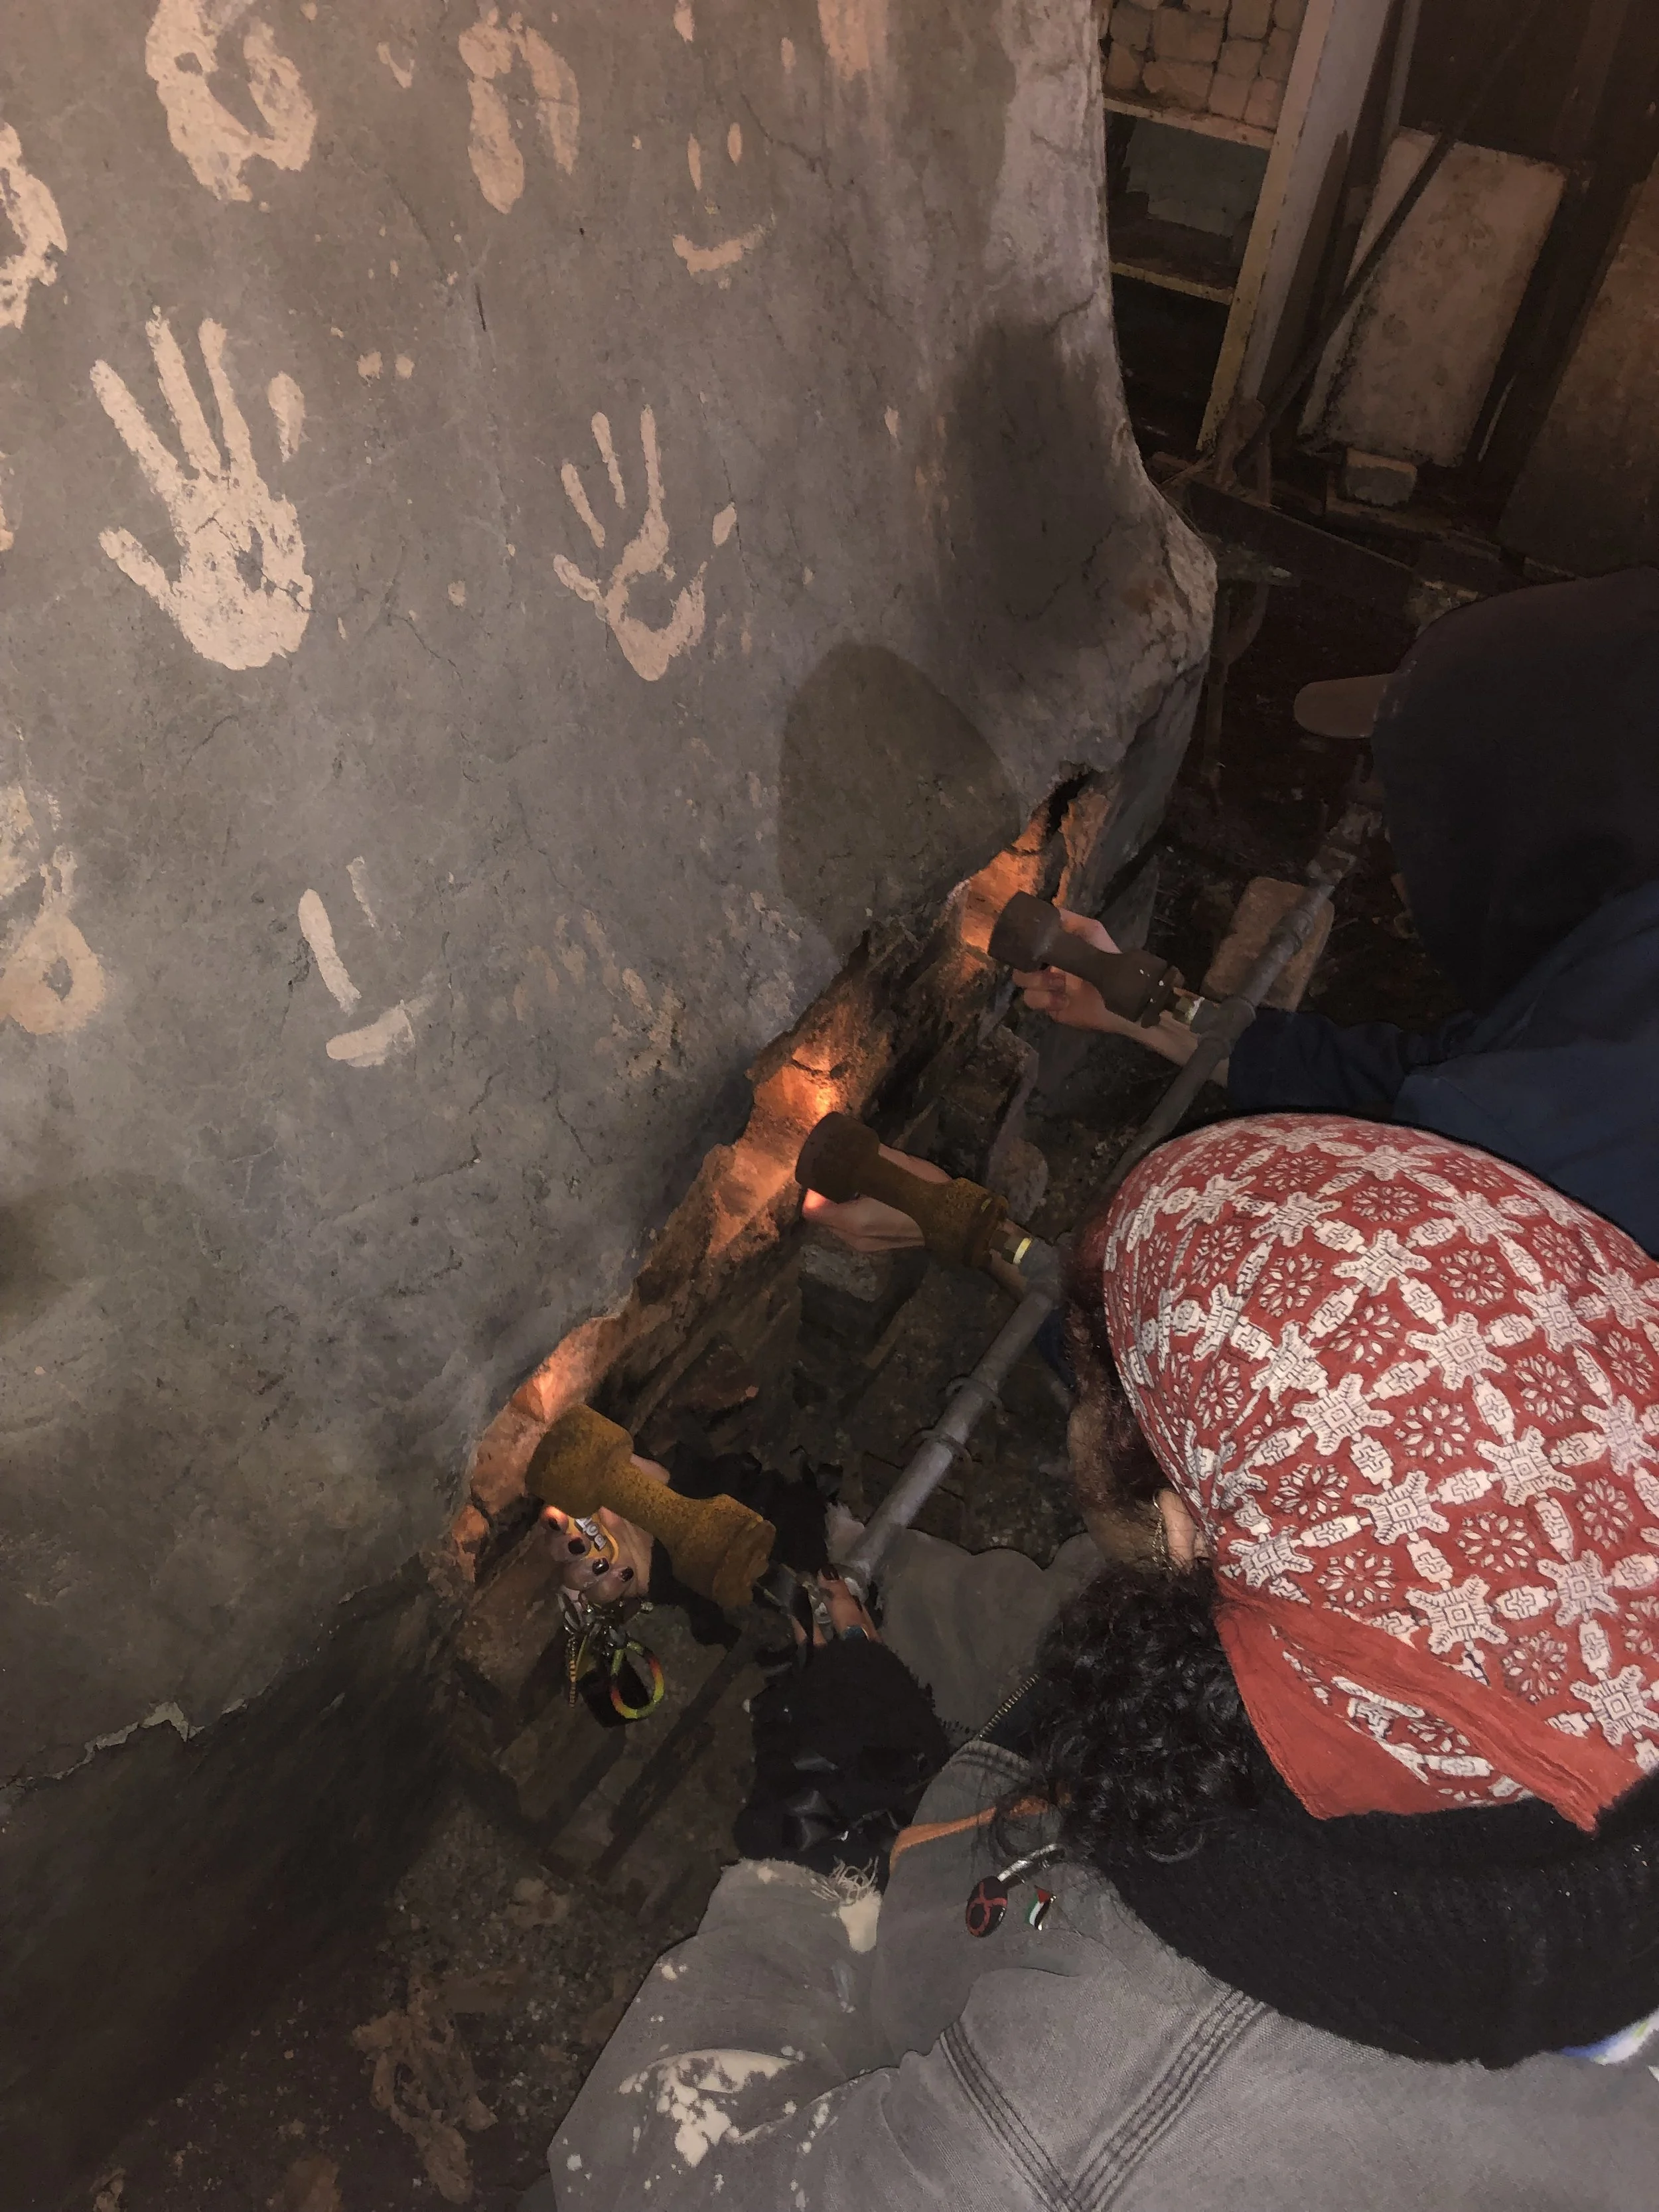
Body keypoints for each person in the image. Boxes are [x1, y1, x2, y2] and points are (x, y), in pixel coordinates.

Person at [525, 1115, 1659, 2209]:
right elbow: (1101, 1632)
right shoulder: (1505, 1600)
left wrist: (830, 1855)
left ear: (1184, 1521)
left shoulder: (1095, 2113)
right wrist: (810, 1552)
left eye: (1110, 1393)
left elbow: (659, 2174)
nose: (1090, 1406)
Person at [1015, 568, 1659, 1256]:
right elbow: (1425, 1071)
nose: (1397, 876)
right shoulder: (1617, 966)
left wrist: (975, 1239)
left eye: (1411, 829)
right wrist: (1143, 1009)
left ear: (1524, 827)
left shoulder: (1533, 1152)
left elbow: (1272, 1334)